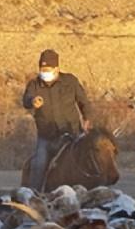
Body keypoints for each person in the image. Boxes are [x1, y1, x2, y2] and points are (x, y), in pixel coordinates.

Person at [22, 49, 92, 192]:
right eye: (42, 69)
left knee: (90, 158)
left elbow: (83, 101)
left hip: (73, 134)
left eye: (48, 69)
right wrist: (32, 101)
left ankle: (93, 191)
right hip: (47, 137)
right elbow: (26, 99)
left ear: (57, 69)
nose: (44, 72)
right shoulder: (34, 85)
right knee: (39, 163)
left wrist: (87, 118)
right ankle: (35, 195)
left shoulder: (70, 81)